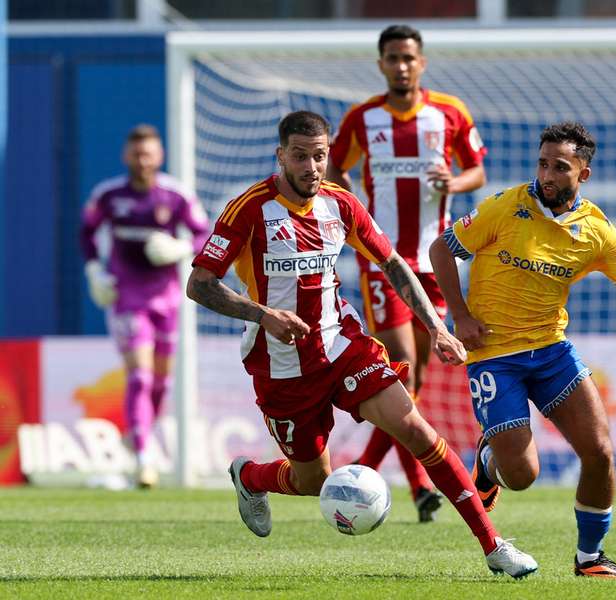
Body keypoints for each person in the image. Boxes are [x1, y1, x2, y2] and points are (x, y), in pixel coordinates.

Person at [186, 110, 536, 579]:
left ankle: (493, 545)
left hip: (341, 345)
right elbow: (200, 284)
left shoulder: (341, 204)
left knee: (417, 429)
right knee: (312, 480)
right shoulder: (250, 208)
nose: (311, 167)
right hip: (281, 364)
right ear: (280, 156)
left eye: (320, 156)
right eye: (300, 156)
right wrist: (263, 314)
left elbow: (393, 264)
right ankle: (249, 477)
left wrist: (436, 327)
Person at [430, 121, 616, 580]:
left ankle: (590, 559)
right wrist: (459, 316)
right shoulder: (504, 207)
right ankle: (488, 458)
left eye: (560, 167)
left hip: (552, 351)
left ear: (584, 174)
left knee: (599, 452)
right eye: (543, 163)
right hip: (495, 354)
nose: (547, 175)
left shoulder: (597, 232)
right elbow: (442, 249)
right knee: (521, 476)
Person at [326, 24, 488, 523]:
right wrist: (356, 213)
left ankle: (392, 483)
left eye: (408, 57)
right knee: (398, 369)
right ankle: (372, 482)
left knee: (413, 379)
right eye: (392, 57)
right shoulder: (362, 118)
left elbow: (477, 171)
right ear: (381, 64)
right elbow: (334, 169)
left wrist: (454, 180)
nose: (401, 65)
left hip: (436, 261)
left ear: (422, 62)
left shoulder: (450, 112)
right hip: (386, 265)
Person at [80, 124, 210, 488]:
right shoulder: (108, 195)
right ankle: (143, 457)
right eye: (136, 153)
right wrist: (94, 270)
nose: (142, 160)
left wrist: (182, 248)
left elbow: (203, 233)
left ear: (160, 156)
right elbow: (87, 231)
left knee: (161, 382)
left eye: (148, 153)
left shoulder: (175, 195)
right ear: (126, 156)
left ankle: (138, 435)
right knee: (139, 374)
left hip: (167, 297)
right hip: (127, 294)